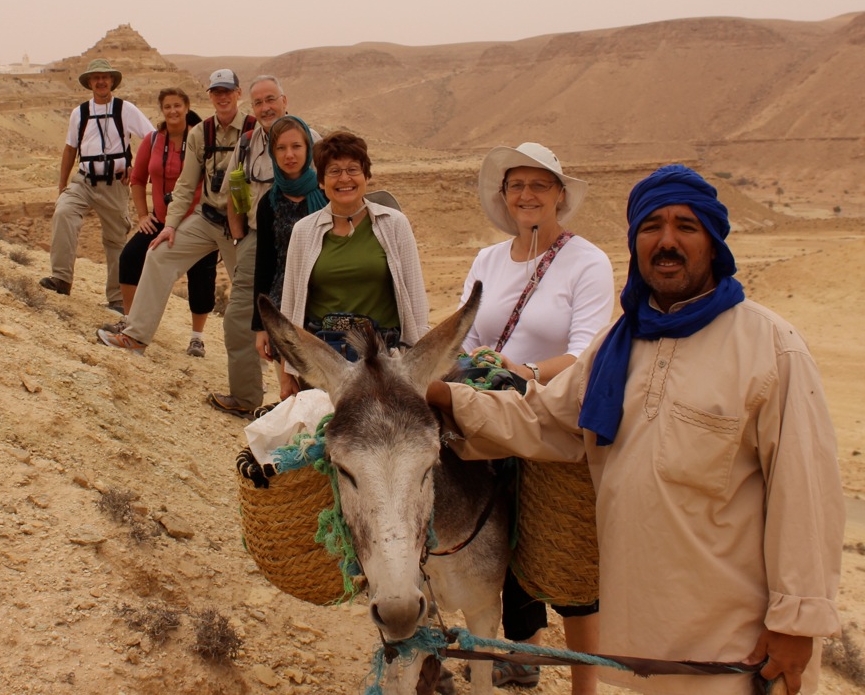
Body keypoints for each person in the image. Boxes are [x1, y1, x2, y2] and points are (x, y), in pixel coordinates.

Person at [427, 164, 844, 695]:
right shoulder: (619, 346)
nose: (667, 241)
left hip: (737, 650)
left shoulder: (771, 349)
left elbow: (806, 498)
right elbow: (543, 420)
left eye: (685, 227)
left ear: (713, 242)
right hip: (644, 644)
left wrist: (796, 624)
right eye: (652, 228)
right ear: (636, 243)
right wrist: (445, 397)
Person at [460, 143, 614, 693]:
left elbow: (586, 353)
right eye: (516, 185)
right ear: (504, 196)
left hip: (552, 419)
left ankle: (584, 685)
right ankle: (517, 651)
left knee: (564, 553)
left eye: (539, 185)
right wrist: (482, 368)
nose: (527, 195)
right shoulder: (487, 260)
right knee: (483, 528)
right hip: (488, 408)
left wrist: (521, 370)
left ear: (559, 196)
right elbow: (470, 334)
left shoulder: (588, 261)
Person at [96, 69, 266, 414]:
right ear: (209, 96)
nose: (222, 97)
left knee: (253, 295)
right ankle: (135, 336)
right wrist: (171, 226)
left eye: (227, 91)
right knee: (159, 255)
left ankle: (263, 369)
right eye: (216, 92)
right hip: (207, 218)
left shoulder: (256, 130)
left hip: (243, 227)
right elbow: (188, 184)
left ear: (238, 93)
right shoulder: (201, 132)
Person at [278, 131, 428, 400]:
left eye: (352, 169)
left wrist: (420, 367)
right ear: (321, 182)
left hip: (384, 361)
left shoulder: (394, 225)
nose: (344, 178)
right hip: (323, 362)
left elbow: (416, 300)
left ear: (366, 177)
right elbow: (290, 306)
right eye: (334, 171)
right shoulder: (304, 231)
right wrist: (286, 372)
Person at [103, 87, 218, 357]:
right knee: (130, 257)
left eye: (178, 105)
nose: (173, 111)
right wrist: (144, 216)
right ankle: (130, 322)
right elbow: (138, 178)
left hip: (197, 222)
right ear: (162, 110)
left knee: (202, 279)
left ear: (187, 107)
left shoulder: (201, 138)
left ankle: (197, 338)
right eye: (168, 107)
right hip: (161, 219)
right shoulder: (153, 140)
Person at [41, 59, 153, 310]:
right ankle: (61, 279)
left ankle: (116, 300)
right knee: (63, 212)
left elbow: (153, 139)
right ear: (89, 83)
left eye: (105, 77)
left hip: (115, 184)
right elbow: (70, 148)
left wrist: (136, 170)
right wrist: (61, 188)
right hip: (83, 180)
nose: (101, 81)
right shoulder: (79, 112)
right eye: (96, 78)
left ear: (112, 81)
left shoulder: (126, 109)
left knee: (115, 240)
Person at [249, 115, 327, 366]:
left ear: (308, 149)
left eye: (296, 146)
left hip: (325, 302)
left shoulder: (328, 195)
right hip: (285, 306)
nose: (289, 155)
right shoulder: (268, 204)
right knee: (291, 388)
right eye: (280, 148)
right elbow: (264, 266)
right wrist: (261, 326)